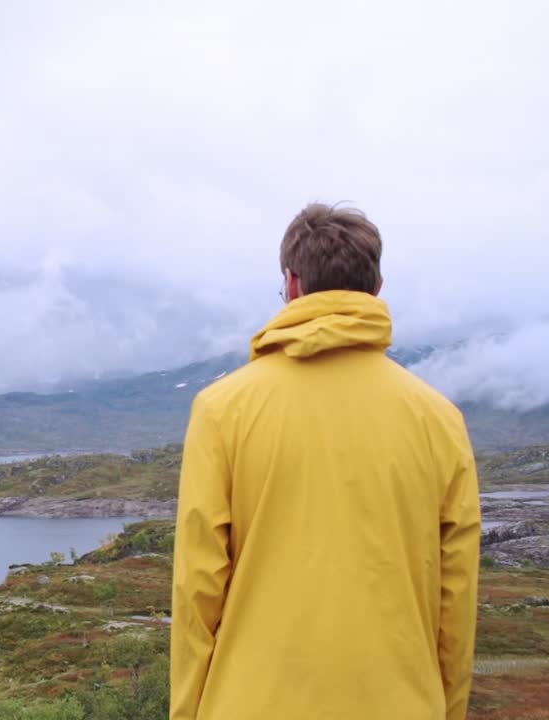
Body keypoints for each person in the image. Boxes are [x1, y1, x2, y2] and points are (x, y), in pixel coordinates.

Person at [170, 203, 480, 719]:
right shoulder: (440, 420)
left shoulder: (222, 411)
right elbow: (457, 598)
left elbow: (197, 592)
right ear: (377, 285)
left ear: (291, 284)